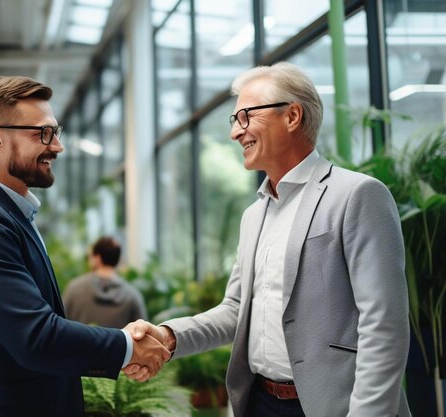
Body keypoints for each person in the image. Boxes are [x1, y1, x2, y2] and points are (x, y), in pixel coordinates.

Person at [125, 62, 411, 417]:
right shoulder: (254, 216)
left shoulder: (358, 195)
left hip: (334, 406)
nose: (235, 133)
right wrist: (169, 336)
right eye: (234, 120)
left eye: (245, 116)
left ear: (292, 116)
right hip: (260, 402)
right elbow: (235, 309)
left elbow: (384, 325)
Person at [0, 76, 170, 417]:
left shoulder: (11, 213)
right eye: (42, 133)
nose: (57, 146)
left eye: (56, 131)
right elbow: (35, 337)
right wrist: (127, 347)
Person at [63, 236, 147, 328]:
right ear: (118, 259)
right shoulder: (132, 295)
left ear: (97, 258)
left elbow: (61, 325)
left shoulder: (74, 289)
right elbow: (142, 332)